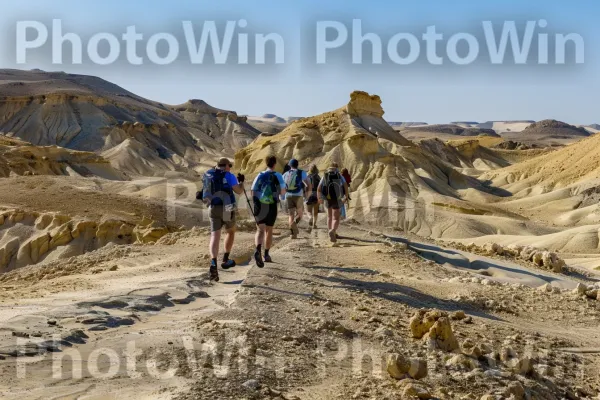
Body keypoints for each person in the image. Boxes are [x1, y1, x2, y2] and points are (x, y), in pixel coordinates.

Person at [201, 157, 245, 282]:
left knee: (214, 236)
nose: (230, 168)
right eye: (229, 166)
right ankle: (226, 259)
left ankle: (213, 264)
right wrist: (242, 182)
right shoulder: (229, 176)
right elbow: (239, 191)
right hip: (227, 207)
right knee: (230, 231)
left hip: (213, 207)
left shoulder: (208, 174)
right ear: (225, 166)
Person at [251, 156, 286, 267]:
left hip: (260, 205)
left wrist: (257, 203)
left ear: (266, 164)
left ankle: (257, 250)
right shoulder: (278, 175)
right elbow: (283, 192)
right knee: (269, 230)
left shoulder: (260, 175)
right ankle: (266, 255)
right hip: (271, 205)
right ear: (275, 164)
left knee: (260, 230)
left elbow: (253, 191)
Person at [318, 162, 349, 243]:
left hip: (327, 199)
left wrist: (319, 198)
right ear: (336, 167)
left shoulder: (325, 175)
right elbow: (345, 185)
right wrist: (346, 196)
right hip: (337, 198)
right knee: (336, 217)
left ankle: (330, 232)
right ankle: (333, 230)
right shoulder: (339, 175)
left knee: (329, 216)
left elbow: (319, 188)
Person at [282, 159, 312, 239]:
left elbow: (283, 187)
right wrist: (307, 195)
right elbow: (308, 184)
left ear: (290, 165)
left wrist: (282, 196)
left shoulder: (285, 174)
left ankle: (293, 234)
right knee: (300, 214)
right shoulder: (302, 172)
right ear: (297, 165)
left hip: (288, 196)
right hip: (298, 196)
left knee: (291, 215)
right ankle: (294, 223)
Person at [305, 164, 321, 229]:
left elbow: (305, 187)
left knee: (309, 211)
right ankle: (314, 225)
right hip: (316, 194)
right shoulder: (318, 177)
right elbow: (320, 186)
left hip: (309, 194)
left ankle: (310, 217)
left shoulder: (307, 177)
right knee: (316, 211)